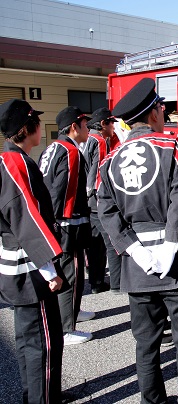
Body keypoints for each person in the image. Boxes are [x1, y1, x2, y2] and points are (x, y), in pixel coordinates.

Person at [97, 78, 178, 403]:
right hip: (177, 264)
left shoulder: (109, 161)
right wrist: (170, 248)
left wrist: (138, 252)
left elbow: (106, 211)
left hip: (137, 266)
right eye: (162, 108)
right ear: (154, 113)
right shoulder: (171, 147)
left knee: (146, 342)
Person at [0, 99, 64, 403]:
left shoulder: (9, 161)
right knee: (43, 344)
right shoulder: (16, 162)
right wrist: (49, 268)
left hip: (16, 266)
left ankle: (33, 397)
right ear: (27, 129)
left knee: (28, 341)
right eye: (36, 122)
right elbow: (25, 216)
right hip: (31, 269)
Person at [38, 106, 94, 345]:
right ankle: (65, 328)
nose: (88, 128)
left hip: (58, 222)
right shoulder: (70, 151)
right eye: (85, 124)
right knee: (71, 273)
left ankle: (73, 311)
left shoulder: (52, 147)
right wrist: (58, 223)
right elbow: (62, 193)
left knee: (73, 273)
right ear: (74, 126)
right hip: (67, 225)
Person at [81, 107, 121, 294]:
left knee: (94, 244)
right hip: (97, 198)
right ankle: (117, 283)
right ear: (103, 124)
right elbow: (99, 170)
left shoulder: (87, 138)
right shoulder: (99, 141)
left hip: (86, 201)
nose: (114, 126)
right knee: (112, 241)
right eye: (111, 122)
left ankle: (96, 283)